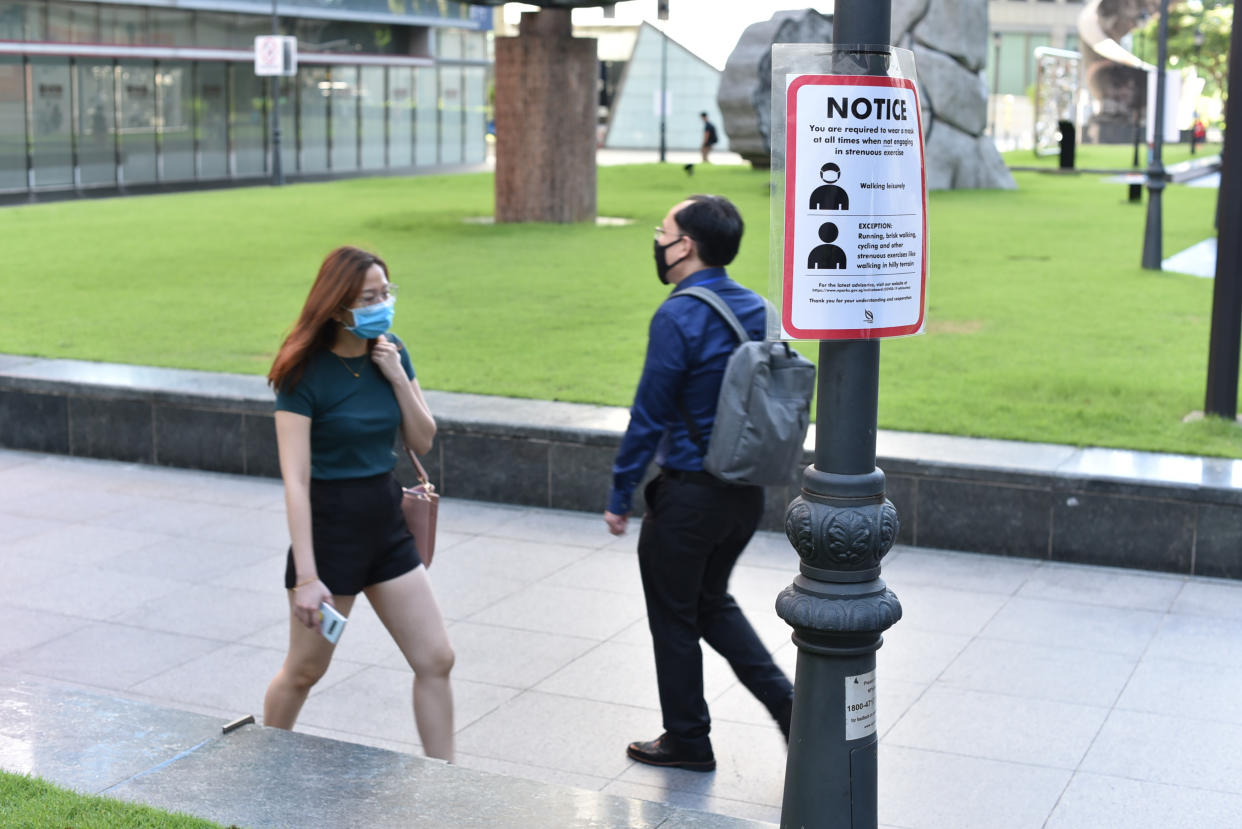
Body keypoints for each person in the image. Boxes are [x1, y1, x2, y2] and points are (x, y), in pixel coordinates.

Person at [604, 195, 794, 772]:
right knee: (710, 604)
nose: (658, 241)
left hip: (688, 496)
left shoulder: (679, 314)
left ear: (684, 245)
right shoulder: (760, 309)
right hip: (745, 494)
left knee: (675, 617)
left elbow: (650, 415)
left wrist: (620, 494)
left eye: (662, 231)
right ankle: (792, 708)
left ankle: (688, 738)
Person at [263, 246, 455, 761]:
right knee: (304, 672)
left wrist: (396, 376)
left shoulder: (392, 350)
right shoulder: (303, 373)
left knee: (436, 658)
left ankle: (451, 787)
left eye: (386, 293)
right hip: (331, 533)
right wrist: (307, 577)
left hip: (386, 522)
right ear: (336, 305)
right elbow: (296, 480)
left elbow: (423, 439)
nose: (382, 304)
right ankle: (263, 770)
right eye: (369, 297)